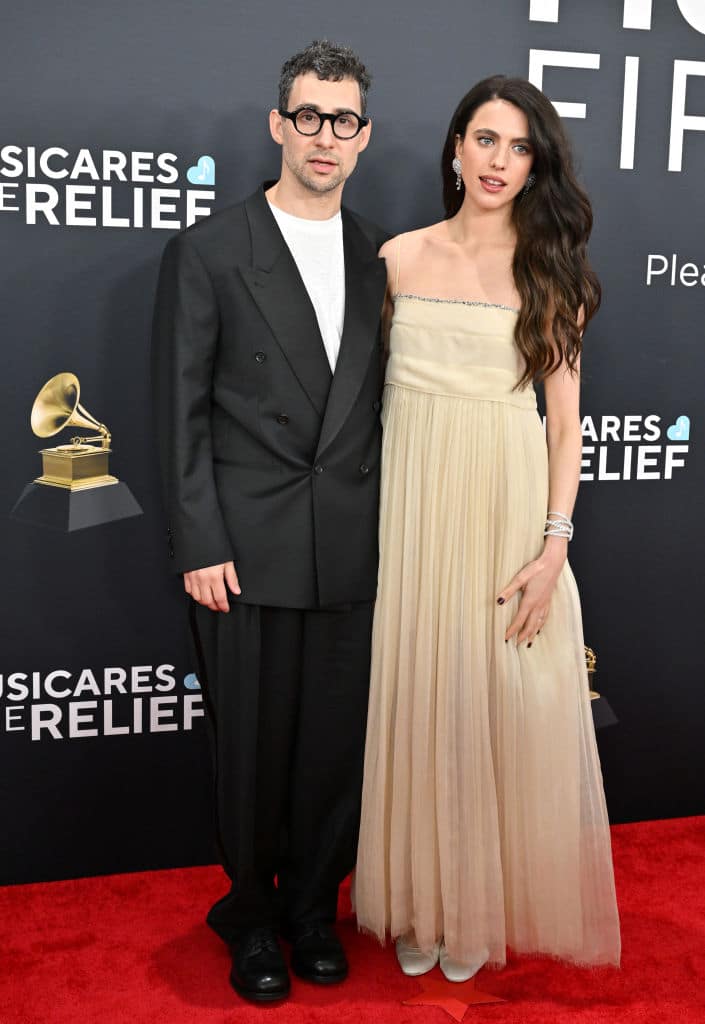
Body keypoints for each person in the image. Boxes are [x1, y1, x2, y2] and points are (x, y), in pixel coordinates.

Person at [354, 76, 621, 982]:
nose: (498, 161)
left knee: (487, 708)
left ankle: (474, 908)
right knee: (421, 701)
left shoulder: (552, 273)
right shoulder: (394, 259)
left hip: (505, 512)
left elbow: (565, 424)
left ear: (534, 163)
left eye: (518, 147)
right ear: (455, 149)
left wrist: (554, 549)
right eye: (484, 140)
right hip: (413, 510)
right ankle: (420, 900)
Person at [151, 40, 387, 1004]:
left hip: (353, 550)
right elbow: (179, 409)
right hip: (244, 552)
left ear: (364, 137)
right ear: (276, 125)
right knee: (249, 753)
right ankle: (250, 917)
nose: (324, 136)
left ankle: (309, 913)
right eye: (308, 116)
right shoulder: (208, 250)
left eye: (343, 120)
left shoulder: (386, 259)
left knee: (335, 750)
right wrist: (198, 539)